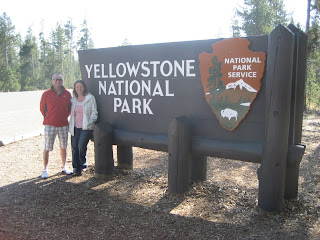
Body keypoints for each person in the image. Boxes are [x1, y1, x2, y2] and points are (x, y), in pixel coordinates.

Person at [40, 73, 73, 179]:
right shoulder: (46, 94)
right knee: (47, 147)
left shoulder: (67, 94)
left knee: (64, 146)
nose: (57, 81)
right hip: (50, 124)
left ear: (62, 81)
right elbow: (42, 109)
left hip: (63, 124)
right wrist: (49, 117)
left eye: (60, 80)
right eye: (55, 79)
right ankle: (45, 169)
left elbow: (69, 109)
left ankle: (64, 166)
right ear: (52, 81)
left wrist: (63, 117)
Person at [69, 80, 98, 175]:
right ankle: (76, 167)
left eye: (81, 87)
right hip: (75, 127)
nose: (79, 89)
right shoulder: (73, 100)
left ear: (84, 87)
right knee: (74, 147)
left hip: (86, 127)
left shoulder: (90, 98)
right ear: (75, 88)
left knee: (81, 146)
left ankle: (83, 165)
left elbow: (94, 112)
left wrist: (90, 122)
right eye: (77, 87)